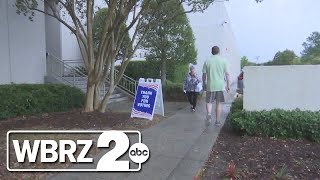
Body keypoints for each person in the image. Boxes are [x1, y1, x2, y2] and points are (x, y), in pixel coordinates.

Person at [202, 46, 230, 126]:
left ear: (212, 52)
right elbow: (227, 74)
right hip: (220, 86)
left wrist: (204, 84)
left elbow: (204, 75)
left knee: (209, 102)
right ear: (219, 52)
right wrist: (228, 85)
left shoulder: (207, 61)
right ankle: (217, 121)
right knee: (219, 104)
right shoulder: (223, 61)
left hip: (210, 86)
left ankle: (209, 114)